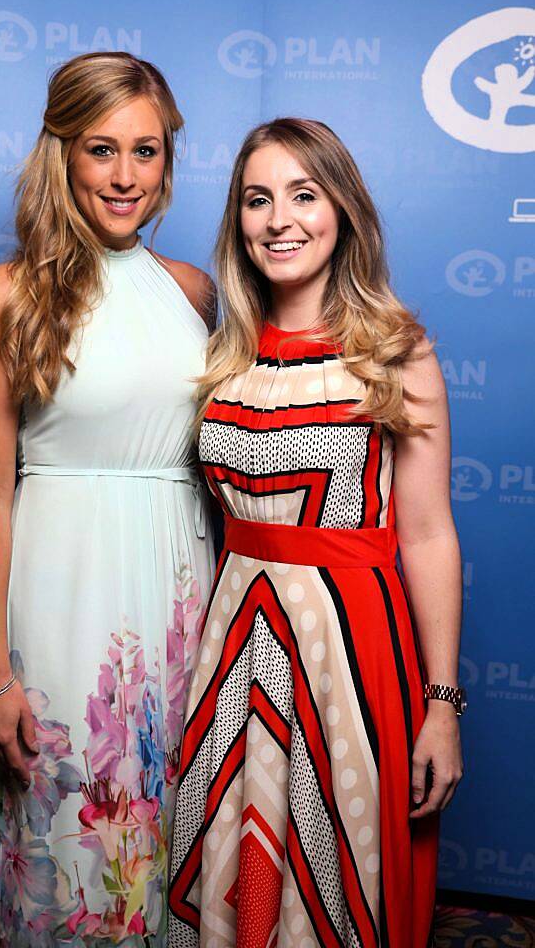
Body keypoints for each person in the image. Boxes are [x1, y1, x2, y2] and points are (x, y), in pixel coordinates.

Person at [169, 118, 464, 948]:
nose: (280, 219)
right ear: (239, 220)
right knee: (235, 857)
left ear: (343, 210)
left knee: (333, 856)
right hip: (232, 640)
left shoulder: (394, 350)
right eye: (258, 200)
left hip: (349, 647)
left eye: (304, 194)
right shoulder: (221, 353)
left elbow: (431, 535)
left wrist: (442, 706)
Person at [0, 52, 216, 947]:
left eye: (147, 151)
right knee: (70, 830)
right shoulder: (7, 297)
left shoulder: (193, 291)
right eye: (102, 149)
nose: (126, 175)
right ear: (61, 153)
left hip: (182, 586)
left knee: (177, 821)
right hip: (65, 596)